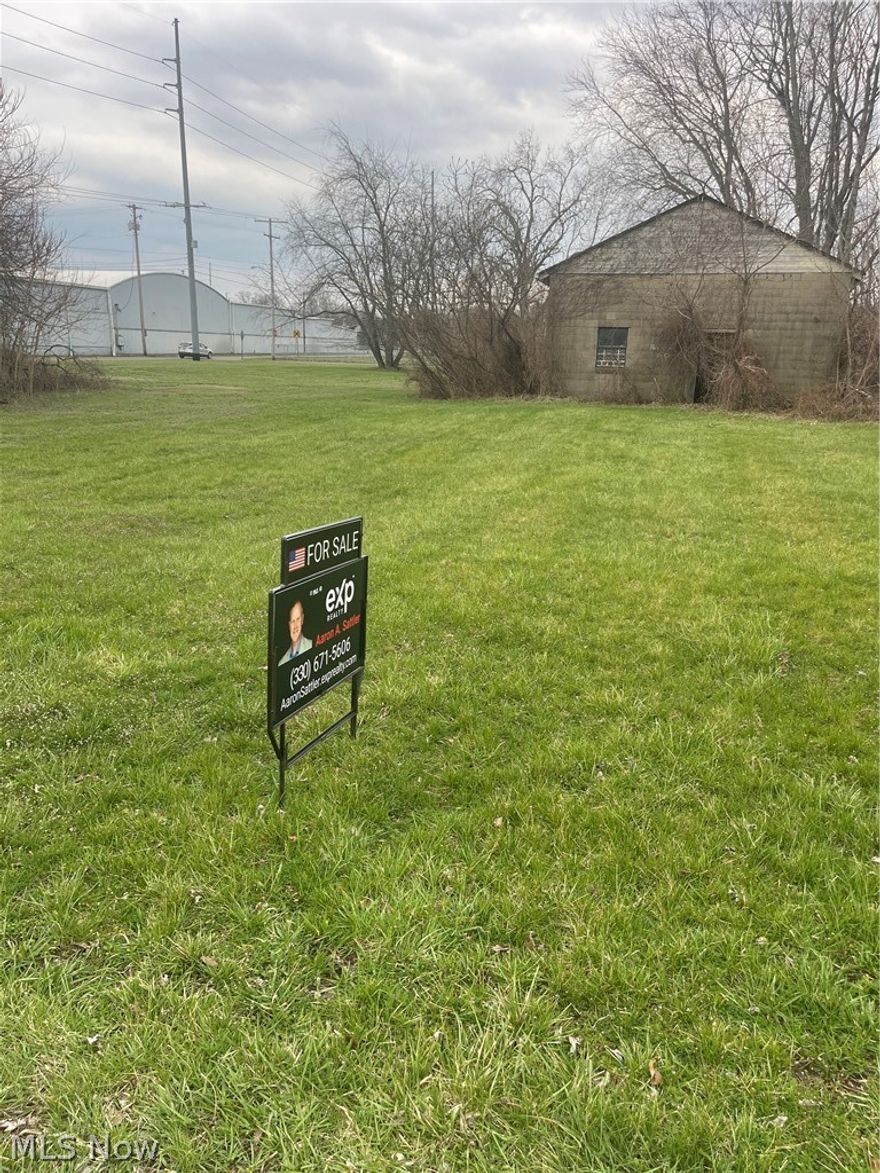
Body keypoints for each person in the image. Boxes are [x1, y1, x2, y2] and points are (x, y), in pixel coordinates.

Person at [278, 600, 312, 665]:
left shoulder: (312, 646)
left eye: (298, 619)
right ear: (289, 624)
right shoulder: (282, 663)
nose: (295, 626)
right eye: (292, 621)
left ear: (302, 619)